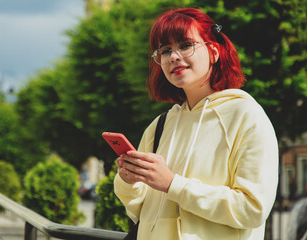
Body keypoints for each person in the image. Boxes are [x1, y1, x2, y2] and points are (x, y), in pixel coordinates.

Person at [114, 8, 278, 240]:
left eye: (185, 45)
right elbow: (139, 210)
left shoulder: (246, 116)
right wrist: (128, 181)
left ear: (213, 52)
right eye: (165, 50)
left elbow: (252, 209)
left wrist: (173, 184)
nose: (173, 56)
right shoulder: (160, 125)